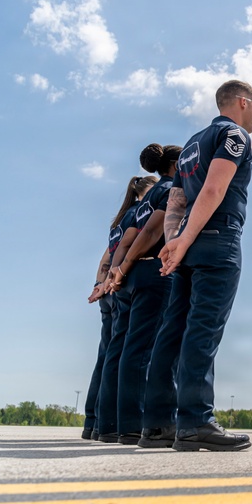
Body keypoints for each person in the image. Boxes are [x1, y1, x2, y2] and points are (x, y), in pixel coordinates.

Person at [140, 80, 252, 452]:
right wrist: (184, 240)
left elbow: (176, 198)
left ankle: (157, 425)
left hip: (188, 244)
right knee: (202, 332)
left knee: (172, 332)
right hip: (216, 239)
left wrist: (175, 241)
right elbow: (213, 189)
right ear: (243, 102)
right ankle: (195, 421)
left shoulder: (192, 143)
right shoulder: (235, 134)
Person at [108, 144, 183, 444]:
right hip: (153, 270)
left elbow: (130, 239)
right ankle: (139, 424)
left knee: (132, 349)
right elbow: (151, 233)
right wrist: (124, 267)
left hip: (136, 272)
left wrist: (122, 268)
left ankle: (125, 423)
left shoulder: (148, 196)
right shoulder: (170, 189)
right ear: (176, 164)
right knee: (144, 353)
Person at [83, 174, 158, 440]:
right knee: (129, 353)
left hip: (110, 287)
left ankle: (96, 421)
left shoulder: (121, 219)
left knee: (108, 355)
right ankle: (117, 422)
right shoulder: (143, 211)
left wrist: (99, 282)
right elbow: (131, 246)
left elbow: (107, 256)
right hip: (125, 281)